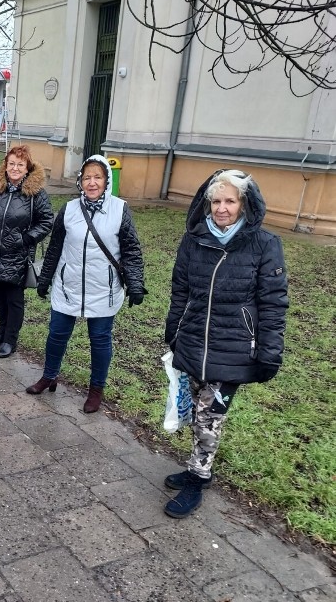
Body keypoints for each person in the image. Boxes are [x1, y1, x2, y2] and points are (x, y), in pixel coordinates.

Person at [162, 169, 288, 519]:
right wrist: (173, 334)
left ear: (243, 204)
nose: (221, 208)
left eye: (229, 201)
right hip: (193, 341)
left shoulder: (264, 244)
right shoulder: (194, 240)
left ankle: (198, 478)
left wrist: (269, 352)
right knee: (197, 412)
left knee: (210, 417)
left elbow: (274, 303)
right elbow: (180, 291)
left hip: (232, 347)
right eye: (216, 201)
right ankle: (196, 467)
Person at [31, 155, 147, 413]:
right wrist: (45, 279)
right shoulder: (69, 209)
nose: (92, 183)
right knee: (56, 334)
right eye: (87, 177)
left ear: (106, 180)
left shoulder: (120, 209)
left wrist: (136, 284)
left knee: (100, 340)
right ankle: (49, 376)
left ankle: (96, 390)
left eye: (97, 177)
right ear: (80, 181)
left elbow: (131, 251)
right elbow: (55, 247)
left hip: (102, 289)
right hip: (68, 285)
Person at [0, 145, 54, 358]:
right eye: (12, 164)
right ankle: (1, 332)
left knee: (14, 299)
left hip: (17, 255)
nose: (15, 168)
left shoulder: (35, 194)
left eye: (20, 164)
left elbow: (47, 220)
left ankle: (11, 339)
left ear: (27, 168)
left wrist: (26, 239)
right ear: (6, 166)